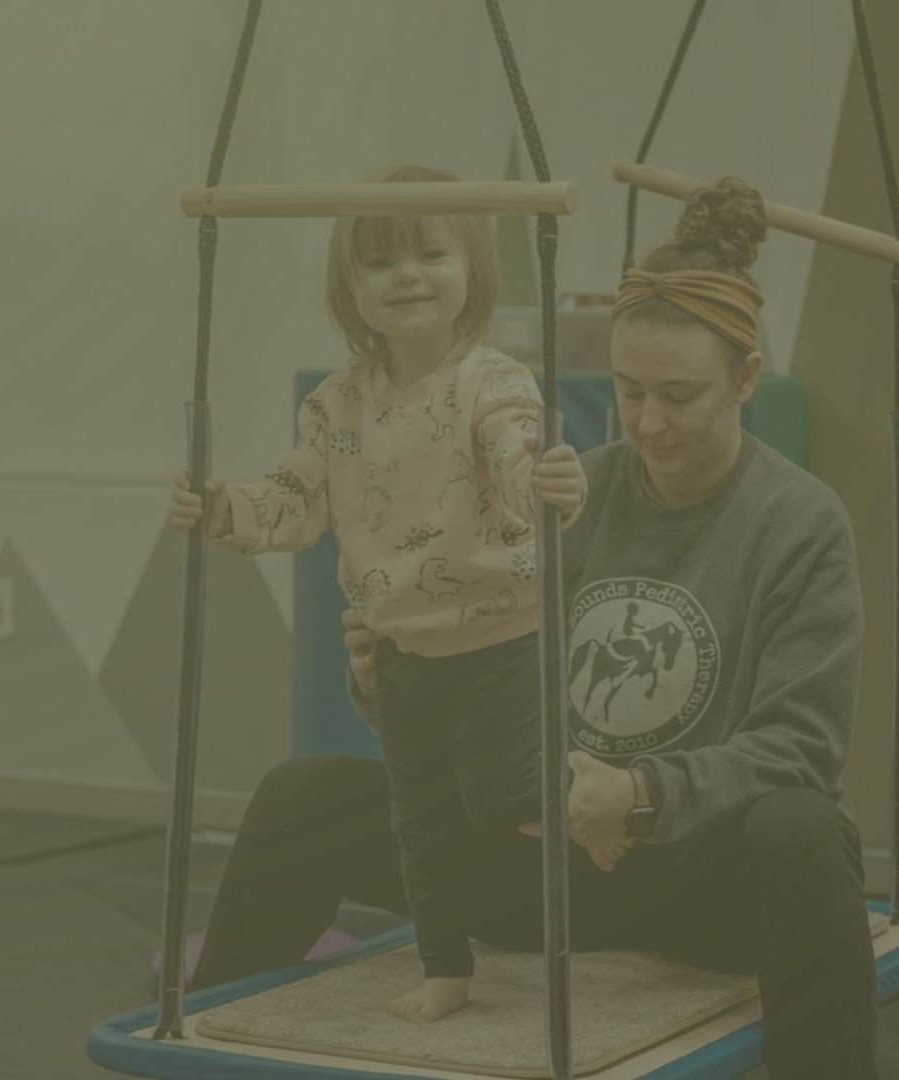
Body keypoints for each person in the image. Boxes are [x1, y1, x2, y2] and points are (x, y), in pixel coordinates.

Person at [194, 177, 877, 1077]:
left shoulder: (800, 521)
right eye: (629, 391)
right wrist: (391, 672)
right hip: (543, 861)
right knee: (301, 798)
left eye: (680, 395)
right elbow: (475, 713)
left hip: (692, 877)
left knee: (801, 830)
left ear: (747, 379)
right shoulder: (567, 494)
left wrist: (635, 793)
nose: (648, 422)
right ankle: (193, 1054)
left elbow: (797, 748)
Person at [168, 164, 588, 1023]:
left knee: (502, 797)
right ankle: (445, 968)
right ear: (349, 287)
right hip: (404, 648)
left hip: (505, 636)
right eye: (380, 263)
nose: (407, 276)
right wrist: (223, 508)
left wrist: (547, 482)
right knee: (421, 824)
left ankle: (596, 804)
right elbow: (293, 496)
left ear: (470, 268)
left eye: (431, 253)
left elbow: (521, 455)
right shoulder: (336, 407)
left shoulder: (494, 382)